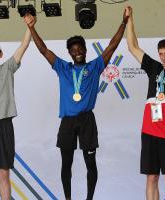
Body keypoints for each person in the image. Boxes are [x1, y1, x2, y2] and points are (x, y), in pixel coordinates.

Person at [24, 7, 129, 200]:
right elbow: (44, 50)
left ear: (85, 50)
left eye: (80, 49)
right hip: (67, 121)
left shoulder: (95, 66)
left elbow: (112, 46)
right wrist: (31, 28)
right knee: (66, 164)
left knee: (91, 163)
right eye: (73, 51)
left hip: (87, 120)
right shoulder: (63, 67)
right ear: (70, 54)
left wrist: (124, 22)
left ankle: (89, 198)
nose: (77, 52)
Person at [126, 6, 165, 200]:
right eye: (161, 53)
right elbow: (132, 47)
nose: (164, 57)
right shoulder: (154, 68)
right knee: (151, 178)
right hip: (149, 132)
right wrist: (130, 20)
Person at [0, 18, 32, 200]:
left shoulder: (7, 68)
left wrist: (29, 27)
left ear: (1, 54)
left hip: (4, 125)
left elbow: (24, 46)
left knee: (4, 173)